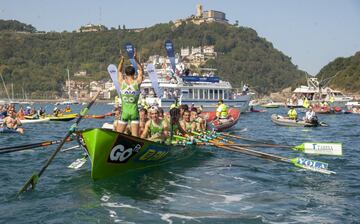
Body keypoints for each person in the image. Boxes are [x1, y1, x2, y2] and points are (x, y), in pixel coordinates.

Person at [116, 49, 144, 136]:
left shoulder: (122, 82)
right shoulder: (137, 82)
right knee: (135, 137)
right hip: (134, 112)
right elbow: (141, 71)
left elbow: (119, 71)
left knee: (117, 135)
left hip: (124, 112)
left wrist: (122, 60)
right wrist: (136, 60)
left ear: (125, 73)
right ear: (134, 73)